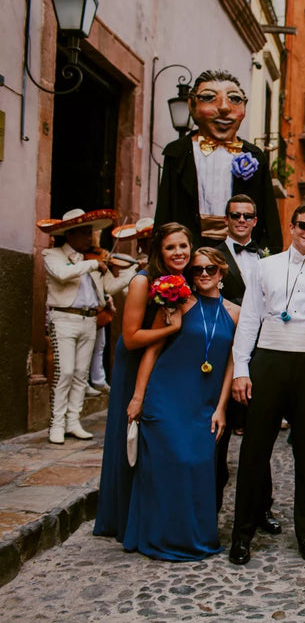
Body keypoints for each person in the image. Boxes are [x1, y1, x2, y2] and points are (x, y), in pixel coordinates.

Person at [228, 204, 305, 565]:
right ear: (292, 226)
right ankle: (242, 535)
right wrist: (241, 368)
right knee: (254, 451)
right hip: (268, 360)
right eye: (303, 226)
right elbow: (249, 319)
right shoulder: (265, 267)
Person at [121, 248, 239, 561]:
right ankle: (159, 538)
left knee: (197, 466)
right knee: (167, 467)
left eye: (210, 269)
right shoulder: (177, 305)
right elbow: (152, 352)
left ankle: (194, 538)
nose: (203, 274)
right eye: (197, 269)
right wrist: (138, 396)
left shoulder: (235, 313)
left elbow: (231, 363)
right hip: (167, 396)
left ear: (221, 272)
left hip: (205, 402)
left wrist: (222, 407)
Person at [94, 223, 191, 540]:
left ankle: (149, 515)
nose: (178, 253)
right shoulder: (141, 281)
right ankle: (122, 518)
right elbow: (131, 338)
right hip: (134, 363)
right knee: (129, 436)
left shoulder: (183, 280)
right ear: (158, 251)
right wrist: (169, 330)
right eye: (170, 247)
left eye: (183, 246)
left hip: (163, 363)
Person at [155, 69, 282, 252]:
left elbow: (268, 215)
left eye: (235, 99)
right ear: (191, 105)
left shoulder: (255, 156)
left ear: (245, 108)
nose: (224, 107)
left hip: (240, 254)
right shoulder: (178, 153)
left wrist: (270, 258)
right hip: (188, 255)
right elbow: (165, 213)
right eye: (208, 97)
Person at [38, 209, 135, 444]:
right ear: (69, 234)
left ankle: (73, 421)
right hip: (64, 319)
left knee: (81, 374)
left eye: (89, 233)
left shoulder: (92, 260)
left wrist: (134, 271)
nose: (88, 238)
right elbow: (62, 275)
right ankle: (57, 423)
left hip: (89, 319)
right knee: (65, 372)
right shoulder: (53, 254)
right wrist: (94, 266)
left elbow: (110, 287)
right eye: (83, 233)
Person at [212, 194, 279, 532]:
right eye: (235, 215)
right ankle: (209, 509)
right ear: (226, 218)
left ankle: (261, 508)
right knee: (217, 437)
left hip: (262, 354)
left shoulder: (269, 255)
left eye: (247, 215)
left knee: (259, 436)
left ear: (255, 220)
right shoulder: (210, 255)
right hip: (222, 352)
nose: (241, 220)